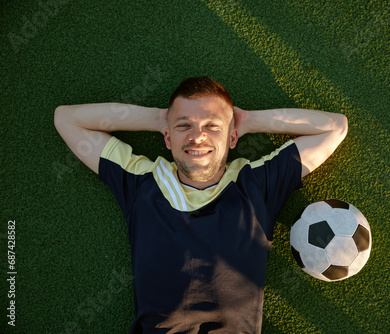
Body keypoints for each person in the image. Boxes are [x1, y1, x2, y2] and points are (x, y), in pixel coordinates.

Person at [54, 76, 348, 334]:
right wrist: (160, 119)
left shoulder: (257, 185)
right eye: (184, 126)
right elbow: (67, 119)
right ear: (167, 137)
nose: (197, 136)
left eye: (212, 126)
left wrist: (246, 121)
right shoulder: (142, 182)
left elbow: (335, 127)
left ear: (232, 136)